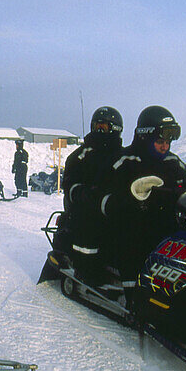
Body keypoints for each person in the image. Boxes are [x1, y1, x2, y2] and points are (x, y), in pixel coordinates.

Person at [104, 105, 186, 281]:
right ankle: (133, 293)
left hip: (166, 228)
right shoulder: (124, 162)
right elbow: (109, 198)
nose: (165, 147)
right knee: (134, 236)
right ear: (145, 137)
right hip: (132, 231)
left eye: (168, 143)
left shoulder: (172, 161)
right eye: (160, 142)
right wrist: (134, 199)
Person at [56, 106, 125, 282]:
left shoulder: (122, 155)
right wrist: (83, 192)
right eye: (96, 127)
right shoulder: (80, 156)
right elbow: (69, 183)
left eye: (103, 127)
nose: (99, 131)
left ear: (115, 129)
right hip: (86, 209)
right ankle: (86, 268)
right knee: (89, 221)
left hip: (114, 206)